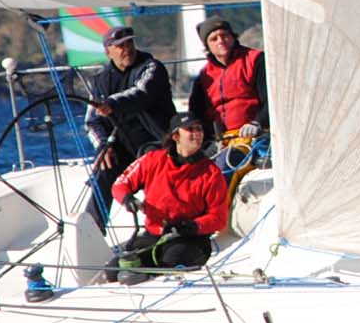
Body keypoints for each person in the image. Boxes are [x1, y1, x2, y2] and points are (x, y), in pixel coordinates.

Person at [106, 113, 230, 282]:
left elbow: (219, 218)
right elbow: (120, 184)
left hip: (189, 239)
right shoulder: (152, 160)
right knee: (113, 271)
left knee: (168, 264)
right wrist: (128, 199)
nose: (197, 133)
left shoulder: (211, 173)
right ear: (176, 136)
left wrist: (192, 226)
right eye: (191, 129)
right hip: (153, 235)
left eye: (199, 129)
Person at [82, 25, 172, 217]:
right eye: (120, 45)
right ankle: (93, 226)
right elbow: (92, 122)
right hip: (122, 147)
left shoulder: (151, 67)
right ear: (108, 51)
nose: (127, 48)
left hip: (156, 143)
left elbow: (142, 93)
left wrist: (111, 104)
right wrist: (103, 145)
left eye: (130, 43)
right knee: (104, 167)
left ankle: (158, 224)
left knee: (153, 165)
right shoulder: (99, 81)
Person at [185, 16, 269, 144]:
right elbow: (196, 113)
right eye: (214, 39)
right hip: (218, 140)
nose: (221, 41)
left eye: (224, 35)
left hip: (253, 135)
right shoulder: (204, 76)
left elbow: (270, 100)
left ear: (233, 37)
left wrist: (258, 123)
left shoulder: (255, 60)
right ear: (207, 46)